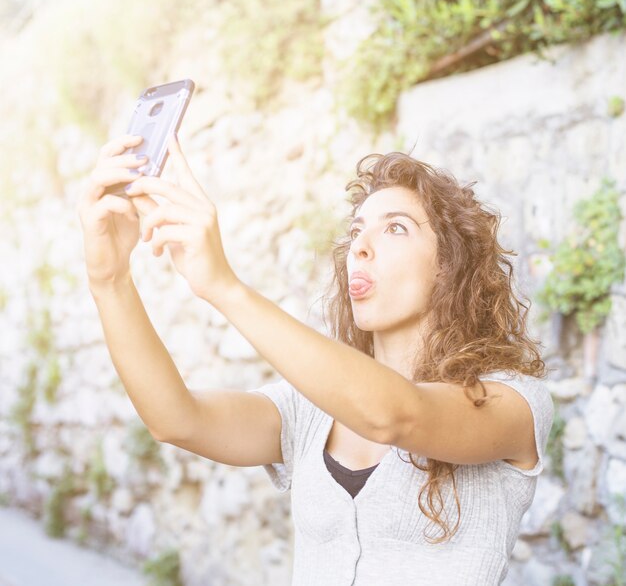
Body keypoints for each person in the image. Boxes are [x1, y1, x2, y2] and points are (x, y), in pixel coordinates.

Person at [77, 133, 555, 585]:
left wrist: (223, 286)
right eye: (356, 231)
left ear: (450, 265)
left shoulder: (512, 402)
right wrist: (109, 279)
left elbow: (394, 415)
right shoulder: (307, 408)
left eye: (396, 229)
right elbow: (175, 419)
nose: (361, 249)